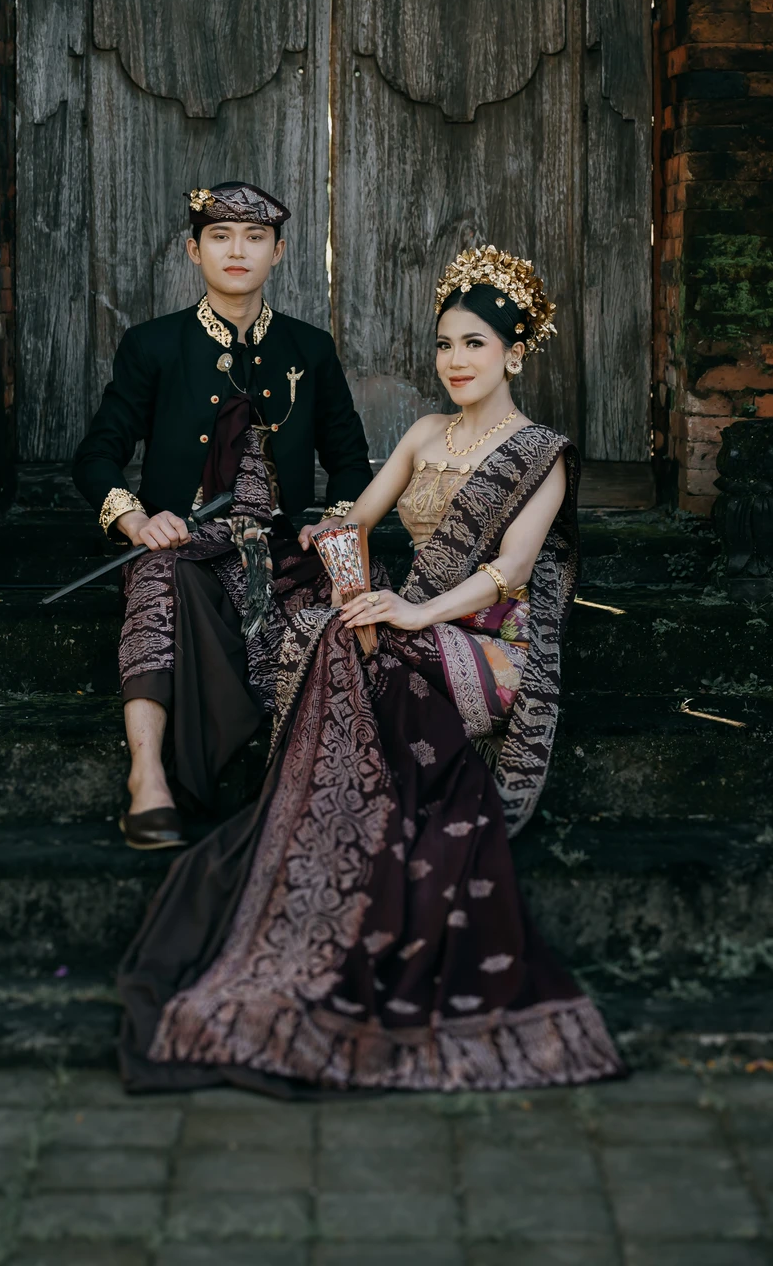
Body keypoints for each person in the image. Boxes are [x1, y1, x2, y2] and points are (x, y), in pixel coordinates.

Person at [117, 244, 623, 1093]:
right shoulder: (424, 434)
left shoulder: (543, 452)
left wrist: (412, 612)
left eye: (474, 344)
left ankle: (331, 811)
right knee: (329, 628)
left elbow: (511, 572)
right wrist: (333, 558)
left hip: (491, 645)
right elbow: (351, 519)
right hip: (413, 626)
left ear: (514, 355)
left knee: (369, 650)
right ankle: (333, 820)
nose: (454, 360)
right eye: (444, 344)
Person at [73, 182, 372, 849]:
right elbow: (96, 456)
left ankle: (315, 785)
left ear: (278, 252)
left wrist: (332, 518)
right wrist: (136, 521)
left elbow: (351, 461)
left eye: (255, 237)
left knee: (345, 607)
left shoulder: (309, 349)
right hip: (181, 542)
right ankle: (147, 777)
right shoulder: (153, 345)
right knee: (156, 582)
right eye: (220, 236)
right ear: (193, 250)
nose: (237, 250)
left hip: (281, 545)